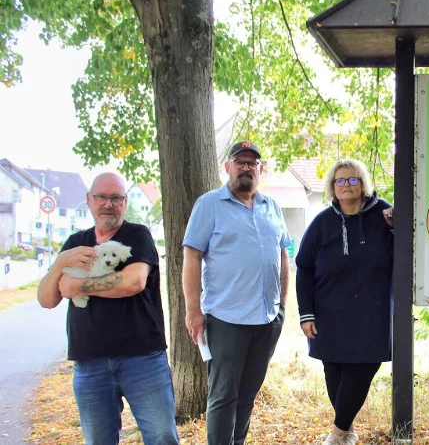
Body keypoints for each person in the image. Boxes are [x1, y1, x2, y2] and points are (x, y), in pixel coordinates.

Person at [37, 172, 180, 445]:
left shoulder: (137, 235)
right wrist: (59, 265)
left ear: (125, 202)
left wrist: (77, 286)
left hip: (143, 360)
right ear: (89, 200)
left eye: (116, 198)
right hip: (90, 363)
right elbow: (47, 299)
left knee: (162, 437)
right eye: (101, 197)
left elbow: (133, 282)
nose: (108, 204)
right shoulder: (74, 244)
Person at [182, 141, 290, 445]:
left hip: (267, 320)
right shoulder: (209, 204)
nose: (246, 167)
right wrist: (193, 311)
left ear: (261, 169)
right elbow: (191, 257)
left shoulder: (272, 207)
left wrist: (281, 307)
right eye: (239, 161)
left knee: (247, 395)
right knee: (223, 397)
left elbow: (282, 255)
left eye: (252, 163)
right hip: (226, 319)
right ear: (227, 167)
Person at [295, 158, 394, 445]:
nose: (347, 185)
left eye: (353, 179)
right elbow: (304, 268)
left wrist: (397, 228)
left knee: (362, 368)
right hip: (329, 313)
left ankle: (337, 435)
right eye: (340, 180)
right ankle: (347, 430)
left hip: (372, 314)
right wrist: (306, 313)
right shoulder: (322, 223)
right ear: (332, 188)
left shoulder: (384, 215)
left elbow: (405, 248)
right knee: (334, 375)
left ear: (363, 184)